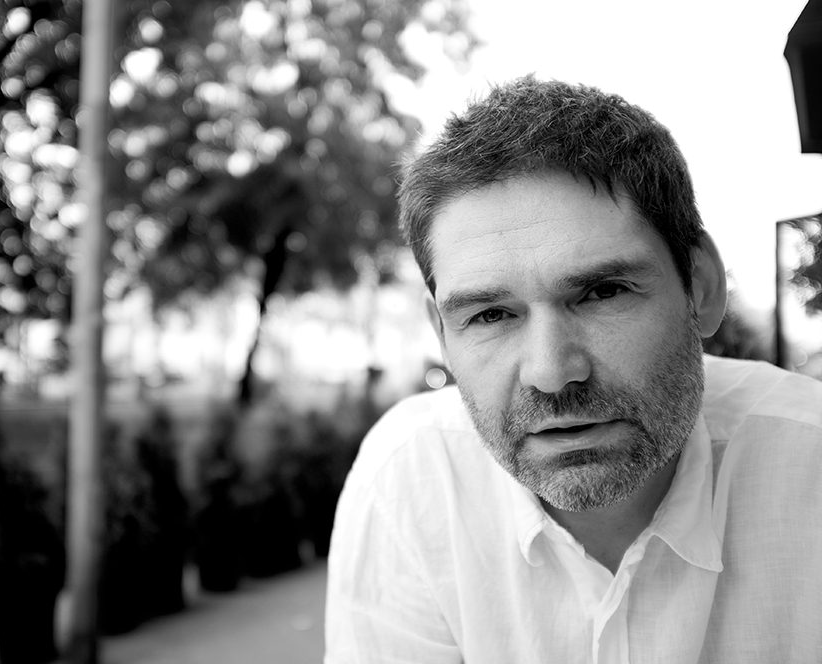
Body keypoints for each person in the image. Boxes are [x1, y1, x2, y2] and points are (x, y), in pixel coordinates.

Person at [324, 75, 822, 663]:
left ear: (702, 287)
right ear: (442, 335)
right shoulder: (409, 483)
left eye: (603, 292)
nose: (551, 372)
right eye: (489, 315)